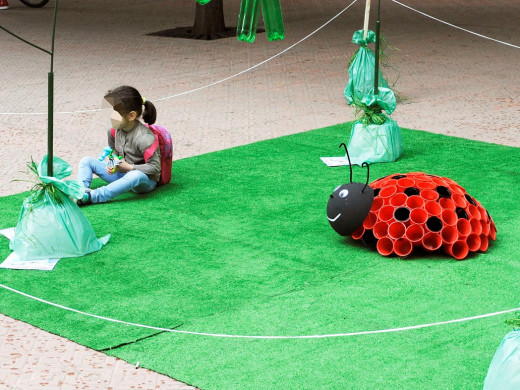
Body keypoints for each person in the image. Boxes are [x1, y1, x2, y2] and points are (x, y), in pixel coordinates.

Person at [77, 86, 161, 205]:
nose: (112, 116)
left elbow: (155, 168)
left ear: (131, 115)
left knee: (134, 175)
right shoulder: (113, 131)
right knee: (86, 161)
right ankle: (79, 192)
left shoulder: (145, 137)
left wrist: (130, 167)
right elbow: (114, 151)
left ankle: (92, 197)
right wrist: (112, 164)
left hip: (144, 181)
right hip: (123, 174)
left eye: (117, 112)